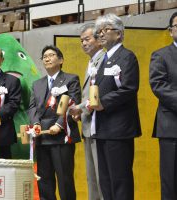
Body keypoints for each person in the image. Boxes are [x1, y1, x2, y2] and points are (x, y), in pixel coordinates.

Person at [91, 13, 141, 200]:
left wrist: (103, 102)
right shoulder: (102, 59)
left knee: (120, 179)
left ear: (119, 34)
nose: (100, 34)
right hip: (103, 127)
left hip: (119, 129)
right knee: (105, 180)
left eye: (105, 30)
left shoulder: (127, 56)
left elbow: (129, 88)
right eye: (98, 31)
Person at [28, 45, 81, 200]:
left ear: (61, 60)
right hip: (42, 137)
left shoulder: (71, 79)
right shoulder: (37, 84)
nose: (47, 58)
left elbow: (73, 103)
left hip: (62, 136)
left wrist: (59, 124)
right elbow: (32, 107)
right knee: (44, 180)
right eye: (44, 56)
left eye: (51, 55)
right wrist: (35, 123)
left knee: (65, 179)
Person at [70, 23, 104, 200]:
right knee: (92, 177)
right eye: (81, 40)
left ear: (99, 40)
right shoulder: (91, 62)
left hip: (102, 126)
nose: (83, 43)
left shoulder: (105, 59)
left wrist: (79, 108)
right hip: (89, 125)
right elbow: (89, 95)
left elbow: (100, 94)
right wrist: (80, 111)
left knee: (102, 178)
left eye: (87, 39)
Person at [149, 12, 177, 200]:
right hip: (171, 127)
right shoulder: (160, 55)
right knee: (171, 181)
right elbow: (158, 85)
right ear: (170, 30)